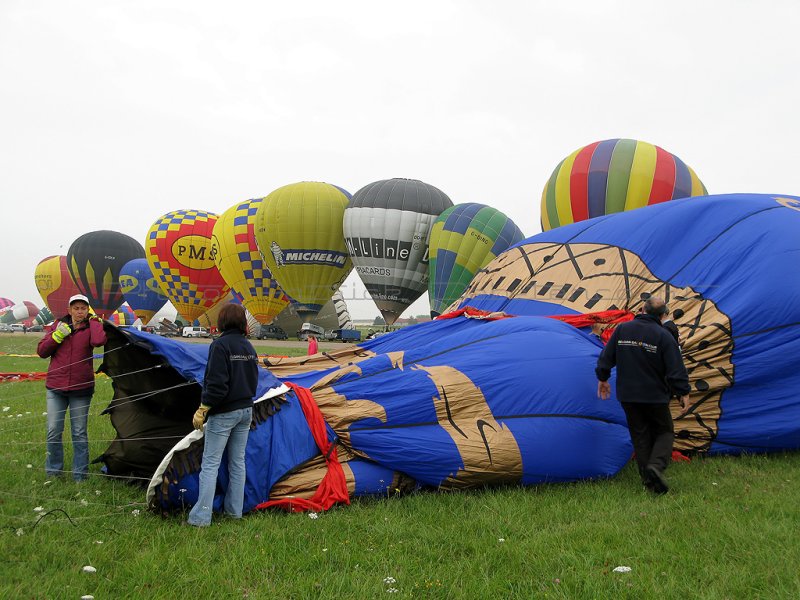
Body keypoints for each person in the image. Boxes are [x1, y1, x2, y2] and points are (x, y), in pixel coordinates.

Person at [595, 296, 691, 495]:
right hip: (654, 395)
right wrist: (683, 392)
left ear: (642, 309)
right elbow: (676, 368)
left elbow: (606, 357)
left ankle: (648, 480)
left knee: (640, 435)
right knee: (664, 431)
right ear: (663, 315)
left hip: (628, 395)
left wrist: (602, 378)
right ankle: (655, 466)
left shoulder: (622, 330)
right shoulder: (663, 336)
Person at [188, 303, 259, 527]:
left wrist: (204, 408)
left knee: (210, 464)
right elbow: (254, 381)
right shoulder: (248, 347)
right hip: (246, 410)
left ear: (222, 321)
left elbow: (216, 384)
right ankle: (234, 512)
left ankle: (200, 518)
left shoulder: (220, 346)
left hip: (225, 411)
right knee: (237, 463)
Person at [36, 294, 107, 481]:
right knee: (53, 431)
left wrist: (96, 323)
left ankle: (80, 476)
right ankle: (53, 472)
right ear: (69, 310)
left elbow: (99, 342)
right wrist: (57, 336)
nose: (79, 312)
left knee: (79, 432)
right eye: (76, 308)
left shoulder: (90, 327)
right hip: (56, 387)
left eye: (83, 308)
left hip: (81, 388)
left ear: (87, 310)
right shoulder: (57, 326)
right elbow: (42, 351)